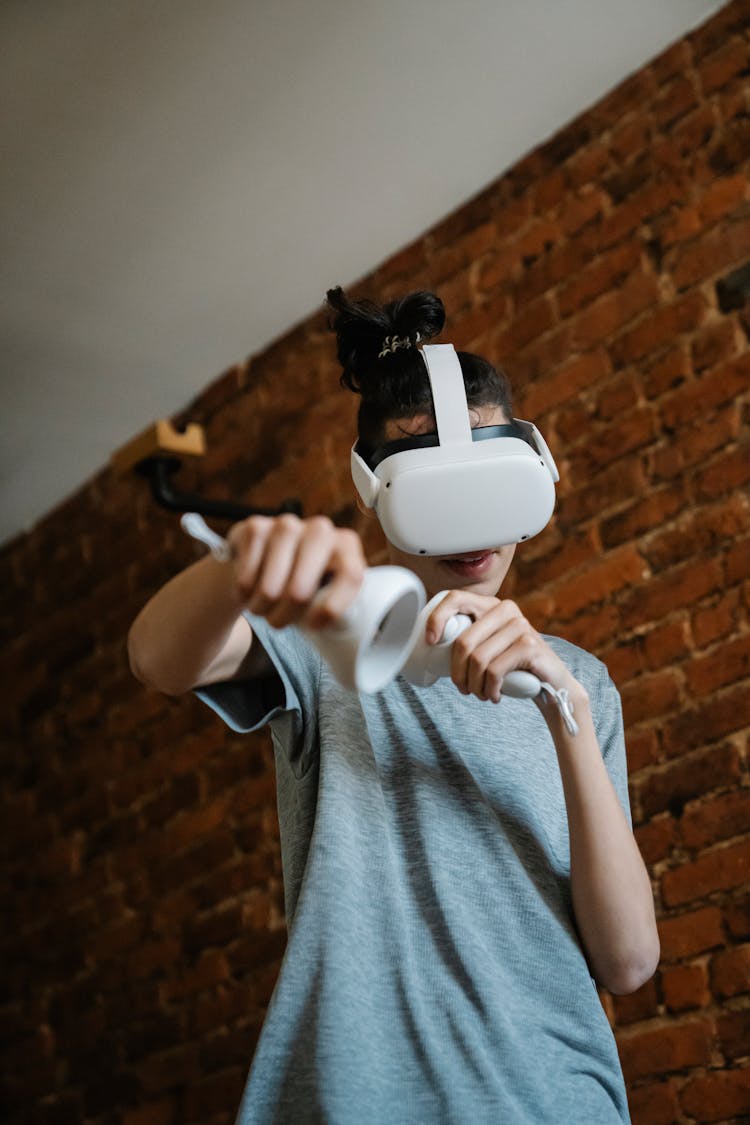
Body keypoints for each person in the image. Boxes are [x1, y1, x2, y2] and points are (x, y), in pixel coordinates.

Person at [128, 287, 659, 1124]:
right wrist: (244, 564)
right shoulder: (335, 641)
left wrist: (565, 709)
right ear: (375, 495)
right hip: (361, 1097)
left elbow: (628, 960)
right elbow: (157, 658)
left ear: (536, 464)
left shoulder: (581, 682)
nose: (470, 533)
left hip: (557, 1100)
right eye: (436, 500)